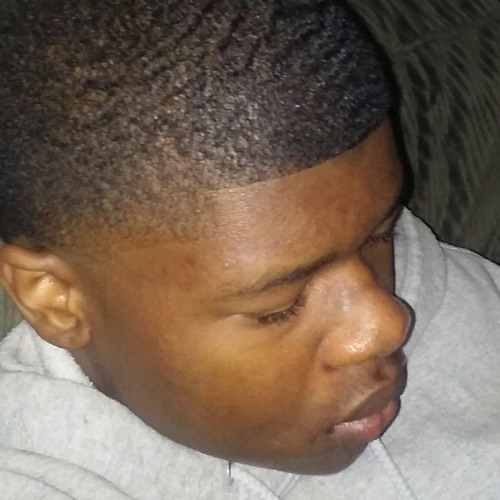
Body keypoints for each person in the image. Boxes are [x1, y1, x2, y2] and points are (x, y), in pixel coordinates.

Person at [0, 1, 498, 499]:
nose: (386, 326)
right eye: (279, 308)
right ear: (54, 299)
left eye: (382, 234)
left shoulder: (470, 300)